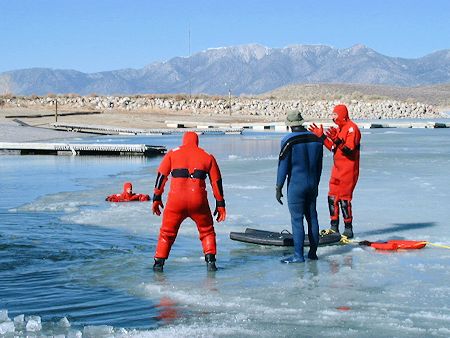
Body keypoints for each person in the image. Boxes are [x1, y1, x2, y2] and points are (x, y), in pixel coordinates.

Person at [152, 132, 226, 272]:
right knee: (207, 231)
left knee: (167, 233)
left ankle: (158, 264)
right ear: (197, 141)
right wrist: (220, 203)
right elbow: (216, 182)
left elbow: (161, 177)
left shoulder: (172, 154)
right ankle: (211, 262)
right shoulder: (207, 156)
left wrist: (156, 197)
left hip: (175, 201)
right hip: (198, 201)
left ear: (183, 140)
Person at [276, 110, 323, 263]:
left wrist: (279, 187)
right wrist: (316, 182)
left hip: (297, 185)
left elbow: (283, 166)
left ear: (289, 126)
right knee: (312, 217)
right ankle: (313, 253)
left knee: (297, 220)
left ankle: (298, 256)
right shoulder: (316, 138)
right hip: (312, 183)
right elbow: (319, 165)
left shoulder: (288, 140)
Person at [308, 104, 361, 238]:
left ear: (342, 114)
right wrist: (322, 137)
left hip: (349, 170)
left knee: (344, 199)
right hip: (337, 169)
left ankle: (348, 228)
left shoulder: (351, 129)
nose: (332, 117)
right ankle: (334, 227)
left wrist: (337, 140)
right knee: (332, 197)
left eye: (335, 114)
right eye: (332, 114)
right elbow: (333, 148)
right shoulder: (340, 129)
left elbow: (349, 150)